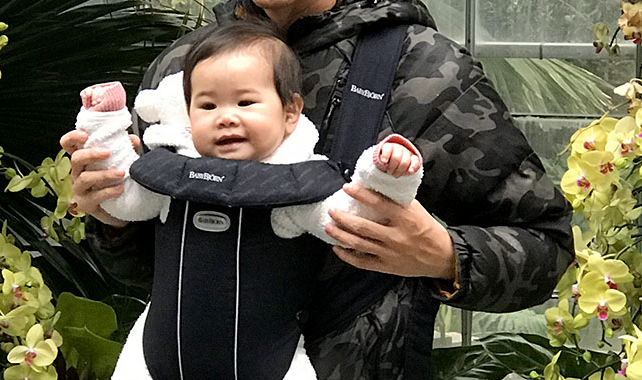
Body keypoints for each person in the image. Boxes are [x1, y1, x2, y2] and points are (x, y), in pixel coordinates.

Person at [61, 0, 574, 379]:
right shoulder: (183, 72)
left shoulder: (425, 72)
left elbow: (548, 247)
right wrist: (110, 214)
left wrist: (442, 255)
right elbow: (143, 266)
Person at [75, 21, 423, 380]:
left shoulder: (294, 187)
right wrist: (103, 123)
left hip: (272, 366)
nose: (226, 117)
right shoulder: (173, 174)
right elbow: (121, 199)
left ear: (290, 113)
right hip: (152, 359)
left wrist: (384, 176)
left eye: (245, 102)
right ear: (188, 114)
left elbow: (352, 223)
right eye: (207, 105)